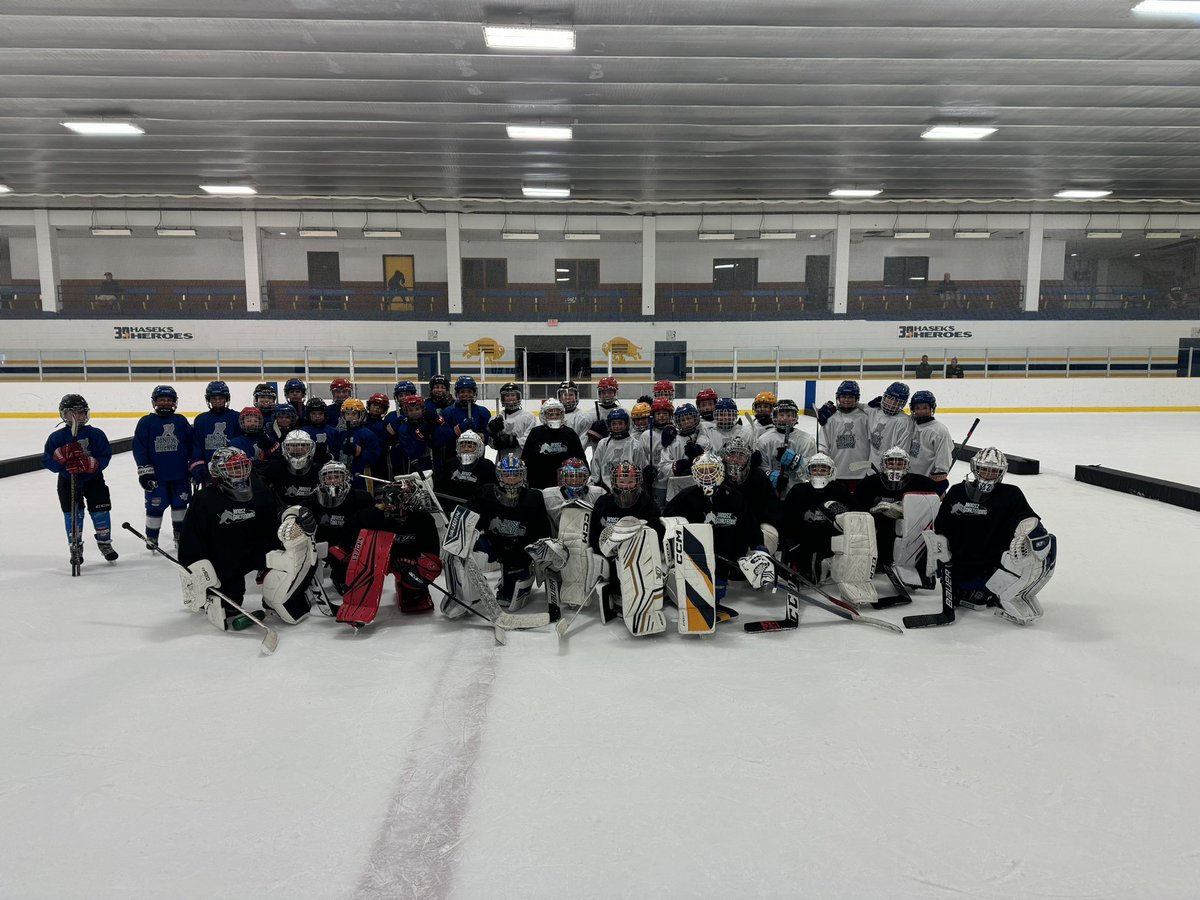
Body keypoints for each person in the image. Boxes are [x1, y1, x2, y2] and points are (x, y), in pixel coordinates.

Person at [928, 448, 1055, 625]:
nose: (988, 474)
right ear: (975, 468)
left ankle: (1012, 594)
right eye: (984, 469)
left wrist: (1028, 530)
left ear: (1001, 472)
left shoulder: (1011, 494)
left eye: (994, 470)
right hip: (960, 564)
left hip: (993, 566)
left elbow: (1026, 517)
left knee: (1044, 542)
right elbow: (940, 527)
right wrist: (942, 558)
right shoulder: (957, 492)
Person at [177, 447, 285, 627]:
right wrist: (196, 567)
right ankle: (219, 599)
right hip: (224, 557)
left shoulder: (260, 489)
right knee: (230, 604)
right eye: (234, 468)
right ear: (218, 471)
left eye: (243, 466)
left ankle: (278, 600)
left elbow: (274, 521)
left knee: (284, 566)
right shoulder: (204, 499)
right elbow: (191, 538)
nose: (240, 472)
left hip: (257, 548)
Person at [664, 451, 765, 589]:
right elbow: (667, 521)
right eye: (702, 472)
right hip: (694, 558)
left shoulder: (735, 497)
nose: (707, 476)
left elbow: (749, 525)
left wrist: (758, 547)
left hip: (727, 557)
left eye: (711, 471)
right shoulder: (685, 497)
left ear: (720, 471)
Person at [467, 454, 552, 609]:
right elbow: (470, 515)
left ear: (523, 475)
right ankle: (471, 592)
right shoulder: (486, 493)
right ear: (500, 475)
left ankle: (514, 578)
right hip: (493, 543)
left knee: (509, 599)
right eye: (507, 475)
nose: (511, 480)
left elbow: (543, 530)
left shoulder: (534, 497)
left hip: (519, 551)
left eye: (516, 475)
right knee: (468, 554)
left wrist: (535, 555)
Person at [42, 394, 118, 563]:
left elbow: (105, 455)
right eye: (73, 413)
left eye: (82, 412)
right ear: (64, 415)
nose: (78, 416)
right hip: (67, 481)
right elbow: (47, 460)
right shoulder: (56, 437)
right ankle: (75, 546)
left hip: (94, 480)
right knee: (73, 514)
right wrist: (59, 459)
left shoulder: (96, 434)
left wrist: (94, 464)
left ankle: (105, 543)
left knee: (101, 511)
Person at [354, 479, 443, 614]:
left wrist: (415, 564)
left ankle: (411, 589)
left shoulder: (424, 519)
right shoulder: (374, 515)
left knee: (425, 575)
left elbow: (433, 555)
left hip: (409, 560)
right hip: (379, 559)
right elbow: (351, 527)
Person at [852, 446, 940, 569]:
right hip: (878, 527)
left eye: (900, 463)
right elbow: (857, 507)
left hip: (905, 527)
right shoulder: (870, 482)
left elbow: (935, 498)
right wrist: (872, 510)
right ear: (884, 464)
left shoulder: (921, 482)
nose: (895, 466)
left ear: (907, 465)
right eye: (891, 463)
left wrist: (904, 511)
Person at [132, 385, 194, 550]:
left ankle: (180, 535)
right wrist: (145, 472)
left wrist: (192, 466)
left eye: (169, 400)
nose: (165, 403)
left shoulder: (180, 421)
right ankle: (152, 536)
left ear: (174, 402)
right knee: (155, 507)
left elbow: (191, 444)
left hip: (180, 474)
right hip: (157, 476)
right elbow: (139, 448)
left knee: (180, 506)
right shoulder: (146, 422)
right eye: (161, 400)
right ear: (155, 402)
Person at [300, 461, 375, 594]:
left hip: (352, 544)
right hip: (325, 542)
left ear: (345, 477)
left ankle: (342, 576)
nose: (333, 481)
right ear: (322, 479)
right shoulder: (313, 499)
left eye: (337, 476)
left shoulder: (361, 497)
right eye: (329, 477)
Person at [779, 452, 853, 583]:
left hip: (831, 541)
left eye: (823, 469)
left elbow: (852, 518)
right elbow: (786, 520)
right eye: (815, 469)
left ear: (831, 471)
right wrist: (791, 545)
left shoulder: (841, 490)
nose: (819, 472)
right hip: (803, 540)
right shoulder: (798, 490)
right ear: (808, 471)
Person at [720, 435, 782, 555]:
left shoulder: (759, 477)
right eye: (732, 455)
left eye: (741, 456)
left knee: (769, 532)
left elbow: (772, 511)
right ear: (725, 457)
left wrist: (758, 537)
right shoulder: (718, 475)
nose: (736, 460)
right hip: (723, 525)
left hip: (754, 526)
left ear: (748, 458)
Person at [757, 399, 818, 495]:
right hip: (772, 492)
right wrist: (772, 477)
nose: (784, 418)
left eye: (789, 415)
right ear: (775, 416)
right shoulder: (764, 440)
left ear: (795, 417)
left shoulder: (807, 440)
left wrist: (795, 461)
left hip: (797, 493)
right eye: (781, 415)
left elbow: (811, 469)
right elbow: (761, 467)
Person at [521, 399, 585, 489]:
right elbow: (526, 459)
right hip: (538, 485)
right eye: (550, 414)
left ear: (562, 415)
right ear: (543, 415)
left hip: (566, 487)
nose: (554, 417)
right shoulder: (535, 433)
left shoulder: (570, 434)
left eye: (558, 414)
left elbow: (581, 460)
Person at [189, 380, 241, 490]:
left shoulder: (236, 417)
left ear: (226, 399)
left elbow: (241, 443)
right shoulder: (201, 420)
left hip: (234, 470)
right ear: (208, 400)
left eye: (221, 398)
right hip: (209, 473)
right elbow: (197, 446)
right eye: (214, 399)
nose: (217, 401)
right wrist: (198, 467)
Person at [589, 408, 648, 491]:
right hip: (606, 489)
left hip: (629, 488)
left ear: (626, 425)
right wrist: (597, 482)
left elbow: (640, 467)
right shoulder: (603, 443)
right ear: (609, 425)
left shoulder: (635, 445)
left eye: (620, 423)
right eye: (614, 424)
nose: (617, 427)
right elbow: (596, 464)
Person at [435, 430, 496, 507]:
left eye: (470, 446)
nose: (466, 449)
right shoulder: (450, 463)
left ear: (479, 448)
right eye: (463, 446)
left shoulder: (487, 466)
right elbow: (438, 485)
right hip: (450, 508)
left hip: (477, 509)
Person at [543, 457, 605, 534]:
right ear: (563, 477)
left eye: (579, 476)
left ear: (585, 477)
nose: (575, 480)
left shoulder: (598, 493)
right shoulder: (548, 495)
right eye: (571, 476)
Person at [906, 390, 953, 491]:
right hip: (906, 481)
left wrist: (937, 485)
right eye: (917, 408)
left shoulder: (939, 431)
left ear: (932, 408)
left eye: (925, 408)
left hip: (925, 483)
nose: (921, 411)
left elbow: (943, 462)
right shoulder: (910, 423)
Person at [865, 381, 915, 472]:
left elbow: (901, 452)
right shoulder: (874, 411)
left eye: (897, 401)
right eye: (890, 398)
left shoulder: (904, 422)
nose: (892, 403)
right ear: (884, 397)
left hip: (889, 473)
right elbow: (856, 406)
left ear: (902, 404)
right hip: (871, 471)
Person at [260, 430, 321, 503]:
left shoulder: (318, 469)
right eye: (293, 445)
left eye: (303, 445)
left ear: (310, 447)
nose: (299, 448)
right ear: (286, 447)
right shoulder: (275, 466)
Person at [389, 395, 437, 476]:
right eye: (411, 410)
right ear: (406, 411)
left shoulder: (429, 422)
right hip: (412, 464)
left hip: (431, 462)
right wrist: (421, 435)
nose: (414, 412)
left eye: (417, 409)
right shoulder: (404, 427)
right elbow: (412, 451)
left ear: (422, 409)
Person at [338, 398, 381, 487]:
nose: (350, 417)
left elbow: (375, 456)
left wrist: (360, 452)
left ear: (361, 415)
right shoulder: (340, 434)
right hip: (342, 475)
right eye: (347, 414)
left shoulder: (368, 434)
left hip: (362, 476)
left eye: (354, 414)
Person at [488, 381, 536, 451]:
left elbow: (531, 440)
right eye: (507, 396)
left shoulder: (528, 417)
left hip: (523, 458)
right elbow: (491, 444)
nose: (510, 398)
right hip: (502, 459)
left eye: (513, 395)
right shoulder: (496, 417)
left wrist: (515, 441)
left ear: (518, 397)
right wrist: (493, 435)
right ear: (503, 398)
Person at [301, 397, 341, 463]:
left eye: (320, 413)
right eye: (313, 414)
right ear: (308, 415)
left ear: (325, 414)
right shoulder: (303, 432)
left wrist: (330, 457)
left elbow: (337, 450)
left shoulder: (333, 432)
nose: (317, 416)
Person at [586, 376, 622, 444]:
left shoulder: (624, 413)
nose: (606, 395)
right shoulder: (590, 414)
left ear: (615, 393)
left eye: (609, 392)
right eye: (603, 392)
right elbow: (585, 441)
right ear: (599, 394)